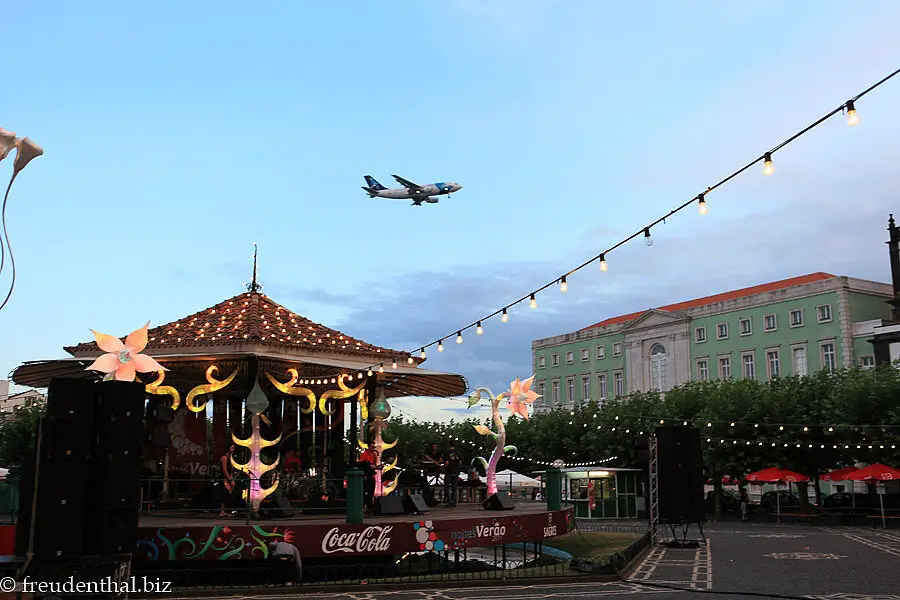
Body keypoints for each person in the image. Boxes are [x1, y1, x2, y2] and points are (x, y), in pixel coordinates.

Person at [219, 444, 236, 517]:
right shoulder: (224, 458)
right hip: (223, 478)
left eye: (234, 448)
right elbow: (225, 471)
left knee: (228, 494)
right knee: (225, 493)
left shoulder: (230, 458)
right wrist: (230, 479)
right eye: (232, 448)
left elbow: (230, 470)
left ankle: (226, 510)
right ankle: (222, 511)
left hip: (228, 477)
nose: (233, 450)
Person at [442, 443, 461, 507]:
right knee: (454, 488)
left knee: (447, 488)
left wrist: (443, 468)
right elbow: (460, 461)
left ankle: (450, 502)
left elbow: (447, 463)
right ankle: (454, 502)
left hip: (449, 472)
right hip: (456, 472)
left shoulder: (447, 452)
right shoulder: (457, 452)